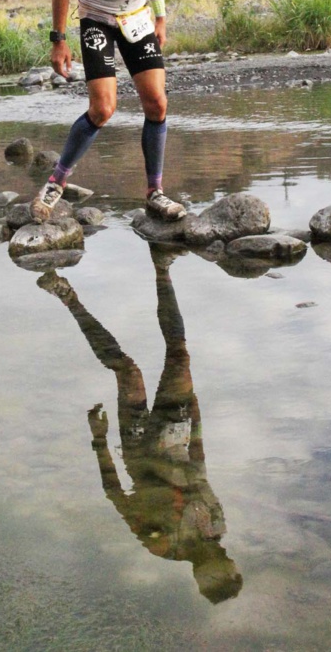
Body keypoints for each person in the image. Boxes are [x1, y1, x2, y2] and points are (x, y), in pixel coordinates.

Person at [37, 245, 243, 604]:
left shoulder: (163, 545)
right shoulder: (217, 525)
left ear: (201, 579)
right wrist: (196, 417)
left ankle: (66, 296)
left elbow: (116, 495)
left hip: (138, 448)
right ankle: (162, 268)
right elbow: (200, 467)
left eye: (219, 572)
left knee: (126, 370)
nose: (225, 559)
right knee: (178, 351)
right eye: (230, 565)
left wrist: (99, 441)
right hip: (175, 433)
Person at [31, 0, 186, 224]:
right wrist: (58, 39)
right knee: (103, 109)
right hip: (99, 16)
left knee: (157, 105)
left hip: (138, 16)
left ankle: (155, 192)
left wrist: (160, 16)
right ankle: (56, 182)